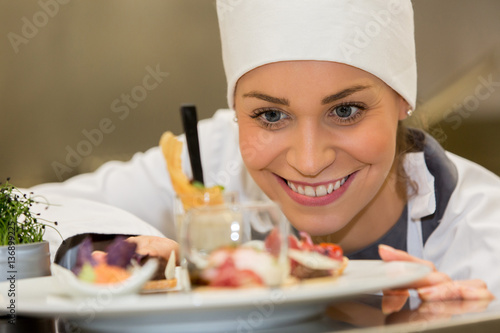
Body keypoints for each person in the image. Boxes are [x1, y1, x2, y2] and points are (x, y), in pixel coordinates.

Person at [32, 0, 499, 301]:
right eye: (271, 116)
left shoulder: (482, 234)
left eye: (346, 110)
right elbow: (25, 210)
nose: (309, 161)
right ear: (235, 109)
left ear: (403, 101)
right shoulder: (211, 165)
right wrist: (124, 251)